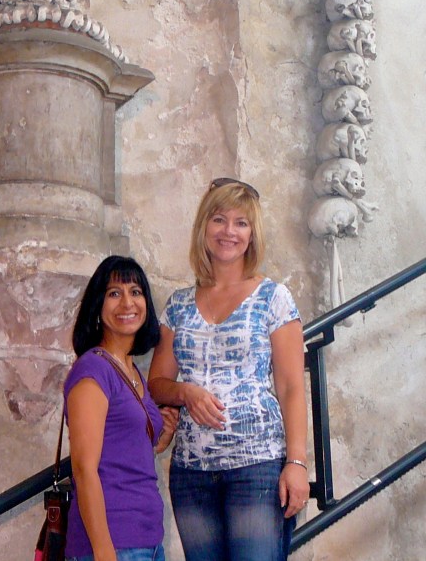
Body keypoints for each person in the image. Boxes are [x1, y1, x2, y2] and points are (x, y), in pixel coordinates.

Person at [148, 178, 309, 561]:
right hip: (191, 472)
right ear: (204, 228)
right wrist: (185, 392)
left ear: (252, 235)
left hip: (257, 467)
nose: (229, 231)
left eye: (241, 223)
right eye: (219, 219)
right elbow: (156, 384)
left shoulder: (274, 297)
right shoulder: (179, 304)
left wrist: (297, 463)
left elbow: (290, 388)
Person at [64, 255, 178, 561]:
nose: (127, 302)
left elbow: (119, 452)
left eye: (136, 292)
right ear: (98, 307)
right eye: (114, 293)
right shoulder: (93, 370)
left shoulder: (132, 372)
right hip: (112, 545)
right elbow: (84, 469)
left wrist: (158, 442)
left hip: (148, 540)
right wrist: (103, 551)